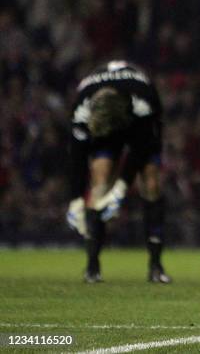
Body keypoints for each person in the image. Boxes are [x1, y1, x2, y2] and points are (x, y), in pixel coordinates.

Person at [66, 60, 171, 283]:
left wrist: (121, 188)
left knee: (151, 182)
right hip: (109, 124)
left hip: (138, 127)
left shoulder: (145, 101)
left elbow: (140, 149)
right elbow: (77, 155)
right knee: (99, 180)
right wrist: (75, 199)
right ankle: (92, 267)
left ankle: (156, 266)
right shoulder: (82, 108)